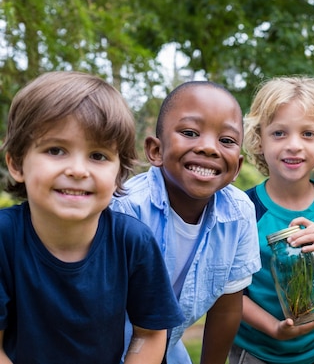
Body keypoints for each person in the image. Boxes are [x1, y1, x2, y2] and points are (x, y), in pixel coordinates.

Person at [0, 71, 184, 363]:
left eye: (98, 156)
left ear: (118, 173)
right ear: (17, 163)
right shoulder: (4, 238)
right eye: (56, 150)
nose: (77, 170)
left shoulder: (132, 241)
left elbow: (149, 332)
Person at [110, 80, 261, 364]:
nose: (208, 148)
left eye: (226, 140)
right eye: (190, 133)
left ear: (238, 166)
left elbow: (227, 309)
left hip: (165, 347)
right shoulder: (124, 210)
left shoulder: (239, 213)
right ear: (155, 151)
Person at [229, 76, 314, 364]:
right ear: (259, 140)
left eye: (308, 134)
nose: (293, 145)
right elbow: (230, 292)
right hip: (259, 350)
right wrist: (275, 330)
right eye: (279, 133)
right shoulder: (244, 209)